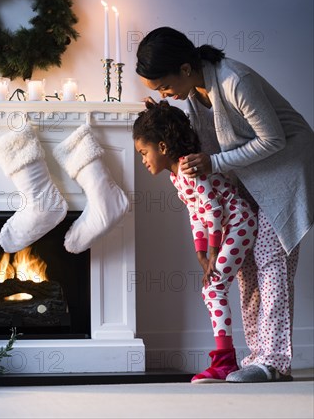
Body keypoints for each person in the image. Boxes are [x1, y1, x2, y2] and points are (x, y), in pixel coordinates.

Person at [136, 26, 314, 383]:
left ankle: (275, 361)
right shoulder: (192, 94)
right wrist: (162, 121)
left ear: (186, 68)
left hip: (285, 169)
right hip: (247, 175)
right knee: (247, 268)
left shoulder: (235, 80)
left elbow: (273, 139)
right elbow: (204, 144)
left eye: (164, 86)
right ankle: (256, 357)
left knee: (271, 264)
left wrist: (215, 165)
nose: (166, 94)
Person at [133, 101, 258, 383]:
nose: (143, 159)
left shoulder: (190, 169)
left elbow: (213, 210)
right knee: (212, 288)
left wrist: (213, 251)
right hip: (225, 229)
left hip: (240, 223)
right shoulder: (177, 178)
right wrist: (201, 254)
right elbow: (196, 214)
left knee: (213, 287)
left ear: (162, 147)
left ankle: (225, 362)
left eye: (144, 152)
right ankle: (226, 360)